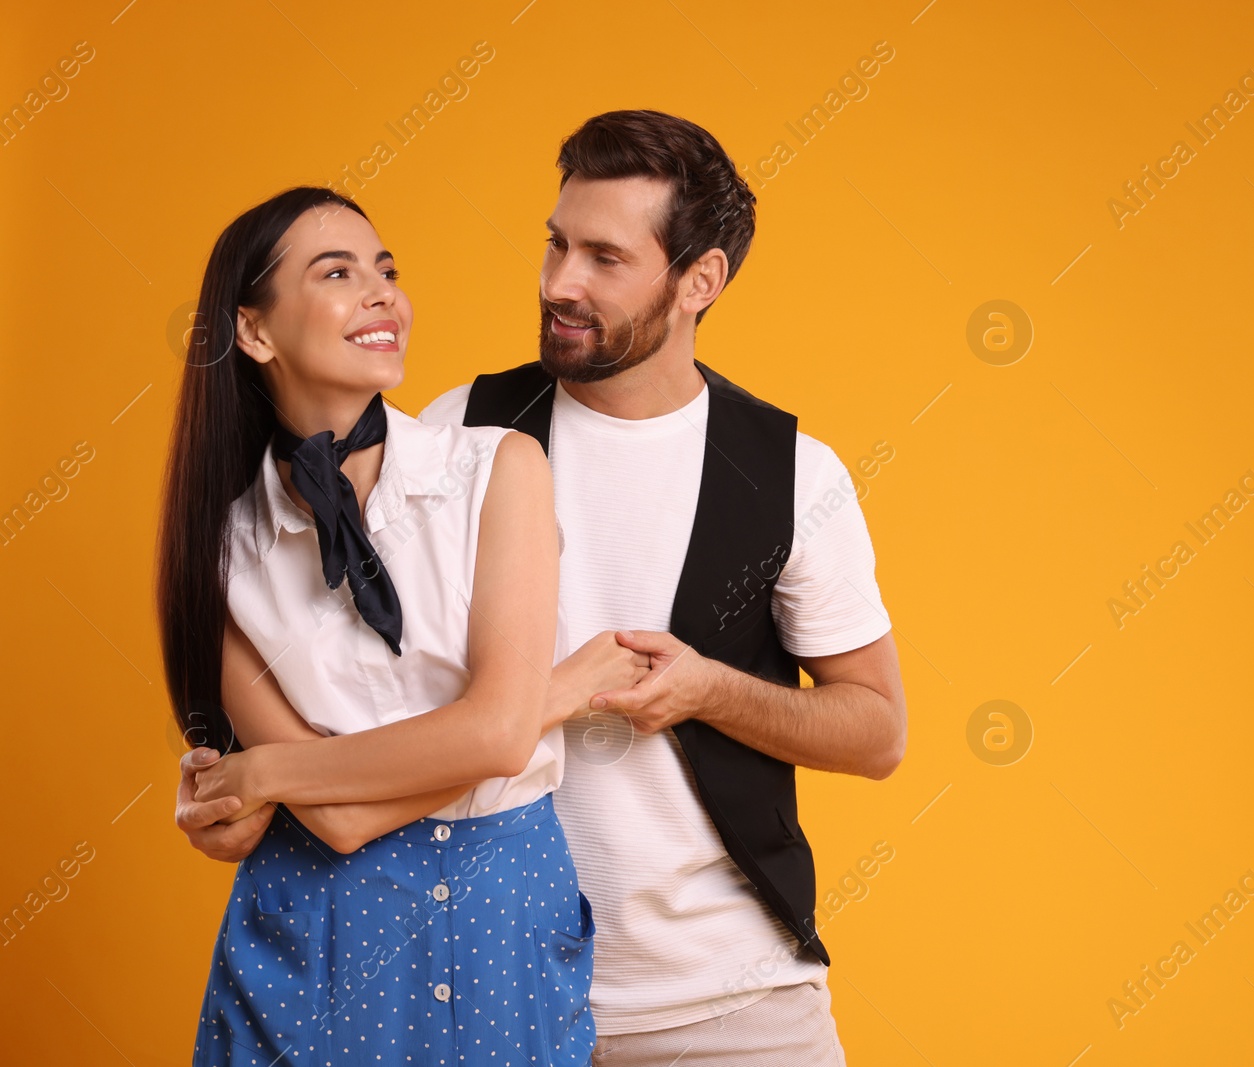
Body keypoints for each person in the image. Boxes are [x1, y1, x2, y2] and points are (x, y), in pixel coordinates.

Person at [179, 111, 908, 1066]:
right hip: (496, 979)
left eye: (605, 257)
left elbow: (876, 730)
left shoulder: (793, 473)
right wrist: (254, 788)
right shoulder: (456, 434)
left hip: (732, 998)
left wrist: (710, 689)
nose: (559, 282)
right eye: (557, 243)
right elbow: (368, 719)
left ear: (701, 281)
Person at [158, 185, 646, 1066]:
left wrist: (267, 768)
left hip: (502, 909)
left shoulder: (498, 467)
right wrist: (553, 694)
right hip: (319, 919)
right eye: (338, 271)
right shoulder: (220, 551)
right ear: (255, 332)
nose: (382, 291)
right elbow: (340, 823)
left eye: (386, 269)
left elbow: (496, 736)